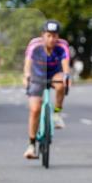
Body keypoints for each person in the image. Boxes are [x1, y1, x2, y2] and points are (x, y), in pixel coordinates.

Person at [22, 20, 71, 159]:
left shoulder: (62, 45)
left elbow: (66, 65)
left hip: (54, 73)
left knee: (61, 84)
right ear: (42, 35)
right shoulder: (35, 45)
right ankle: (31, 145)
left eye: (54, 36)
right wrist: (26, 76)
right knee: (35, 109)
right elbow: (27, 64)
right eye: (48, 35)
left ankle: (56, 114)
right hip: (37, 75)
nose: (51, 39)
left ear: (58, 36)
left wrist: (67, 76)